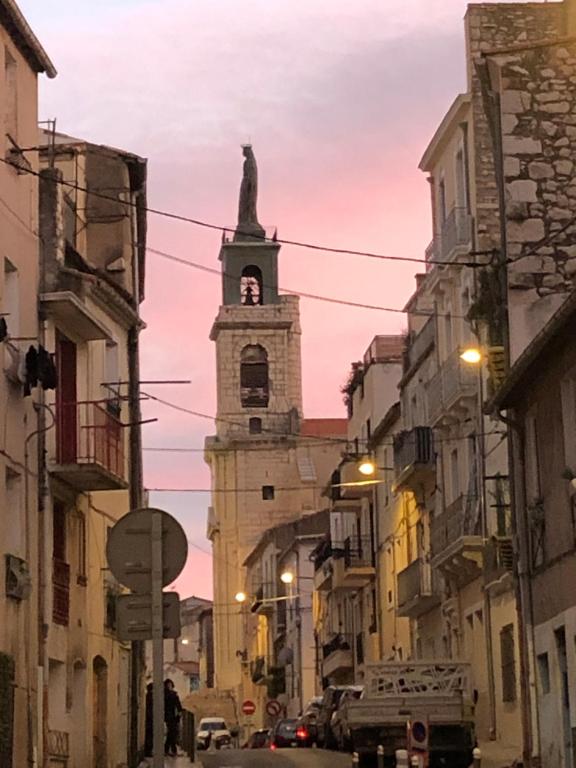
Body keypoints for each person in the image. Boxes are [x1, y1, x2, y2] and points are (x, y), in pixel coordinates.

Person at [164, 679, 182, 757]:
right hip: (169, 716)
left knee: (171, 734)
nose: (170, 686)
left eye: (170, 685)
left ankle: (169, 750)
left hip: (173, 716)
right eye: (168, 685)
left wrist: (179, 712)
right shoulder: (167, 695)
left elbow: (178, 705)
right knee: (172, 733)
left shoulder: (173, 694)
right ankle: (171, 750)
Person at [144, 682, 153, 757]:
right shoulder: (151, 697)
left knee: (149, 735)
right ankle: (148, 751)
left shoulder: (147, 696)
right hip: (150, 718)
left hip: (149, 718)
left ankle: (148, 750)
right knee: (150, 735)